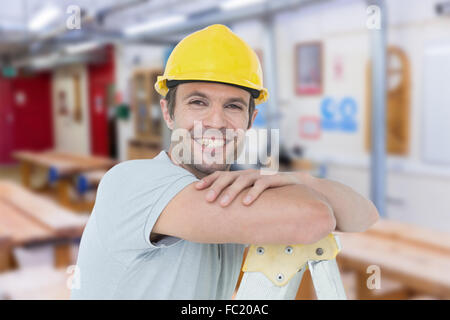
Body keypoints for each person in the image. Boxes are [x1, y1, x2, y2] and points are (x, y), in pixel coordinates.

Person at [71, 24, 378, 299]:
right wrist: (290, 186)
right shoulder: (131, 182)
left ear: (250, 120)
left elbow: (365, 215)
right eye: (198, 102)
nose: (215, 121)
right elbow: (315, 218)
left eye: (232, 106)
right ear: (168, 112)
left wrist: (299, 179)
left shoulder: (234, 185)